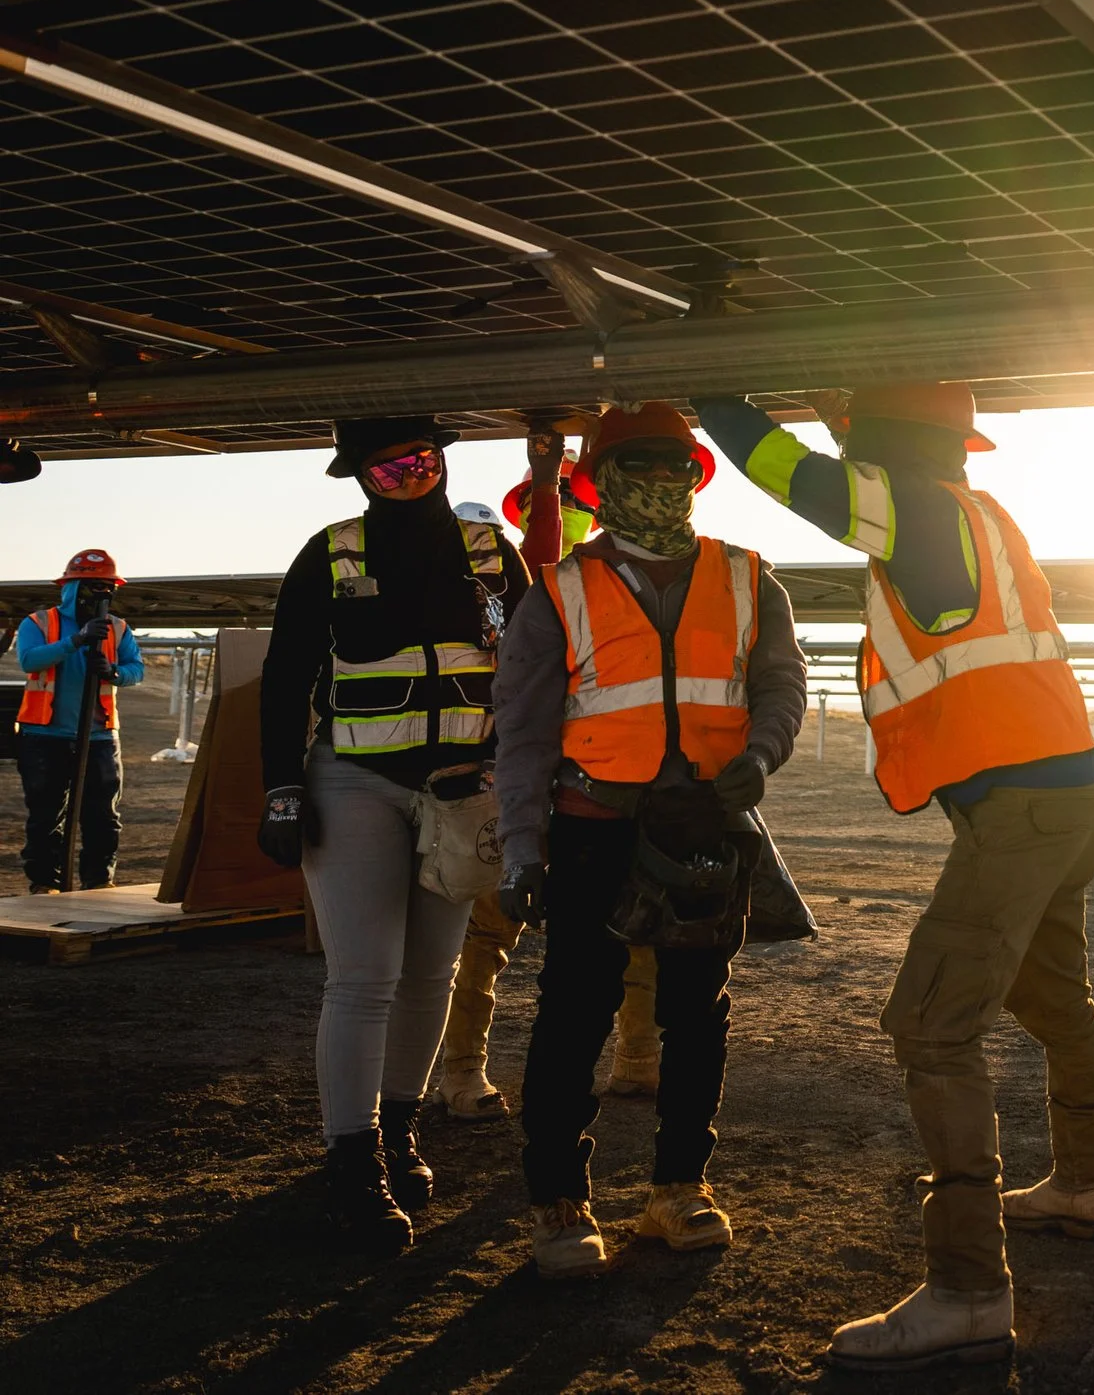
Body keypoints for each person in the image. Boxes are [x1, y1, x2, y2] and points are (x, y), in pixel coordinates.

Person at [696, 385, 1094, 1370]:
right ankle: (1088, 1182)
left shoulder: (915, 505)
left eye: (854, 440)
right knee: (1053, 997)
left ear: (880, 442)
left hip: (1017, 811)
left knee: (932, 1022)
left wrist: (716, 391)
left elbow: (787, 476)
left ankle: (970, 1287)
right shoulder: (976, 514)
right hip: (1065, 799)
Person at [494, 403, 808, 1277]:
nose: (663, 479)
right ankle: (559, 1200)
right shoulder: (559, 591)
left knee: (696, 1015)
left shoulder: (749, 578)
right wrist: (522, 848)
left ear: (696, 476)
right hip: (591, 829)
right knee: (574, 1012)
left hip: (703, 830)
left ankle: (678, 1191)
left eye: (676, 464)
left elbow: (782, 683)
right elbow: (520, 736)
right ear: (604, 478)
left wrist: (763, 751)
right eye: (643, 464)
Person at [256, 417, 527, 1252]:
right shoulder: (330, 553)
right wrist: (281, 791)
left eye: (419, 459)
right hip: (356, 783)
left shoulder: (492, 551)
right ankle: (353, 1162)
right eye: (385, 467)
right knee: (364, 975)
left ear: (443, 460)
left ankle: (400, 1129)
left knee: (430, 973)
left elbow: (531, 668)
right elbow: (285, 674)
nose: (406, 475)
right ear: (361, 478)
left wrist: (519, 779)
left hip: (460, 792)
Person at [434, 432, 664, 1121]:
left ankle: (636, 1057)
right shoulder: (512, 587)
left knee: (635, 920)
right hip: (523, 773)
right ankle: (462, 1068)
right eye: (556, 503)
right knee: (489, 930)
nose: (566, 513)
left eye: (573, 501)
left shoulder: (617, 585)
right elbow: (541, 558)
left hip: (605, 778)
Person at [16, 548, 144, 891]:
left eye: (106, 586)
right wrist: (76, 640)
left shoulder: (117, 629)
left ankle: (98, 882)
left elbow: (136, 670)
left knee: (103, 817)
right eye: (92, 586)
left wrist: (114, 672)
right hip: (45, 736)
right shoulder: (39, 623)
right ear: (72, 587)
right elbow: (29, 660)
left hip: (99, 736)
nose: (100, 594)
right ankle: (44, 884)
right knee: (46, 817)